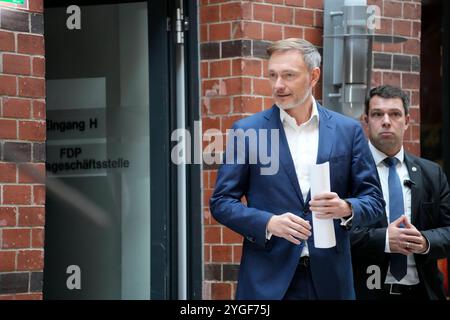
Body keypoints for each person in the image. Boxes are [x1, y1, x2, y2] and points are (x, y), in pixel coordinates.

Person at [209, 38, 384, 300]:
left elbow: (374, 202)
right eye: (273, 75)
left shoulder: (348, 131)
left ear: (314, 76)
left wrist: (346, 208)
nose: (278, 85)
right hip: (267, 283)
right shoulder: (247, 132)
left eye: (288, 75)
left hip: (331, 282)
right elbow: (221, 202)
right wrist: (268, 222)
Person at [351, 85, 450, 300]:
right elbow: (332, 235)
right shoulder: (348, 172)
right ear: (366, 121)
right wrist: (385, 239)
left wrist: (425, 241)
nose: (386, 121)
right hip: (365, 292)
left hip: (422, 292)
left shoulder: (432, 174)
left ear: (406, 120)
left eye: (394, 114)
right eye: (377, 114)